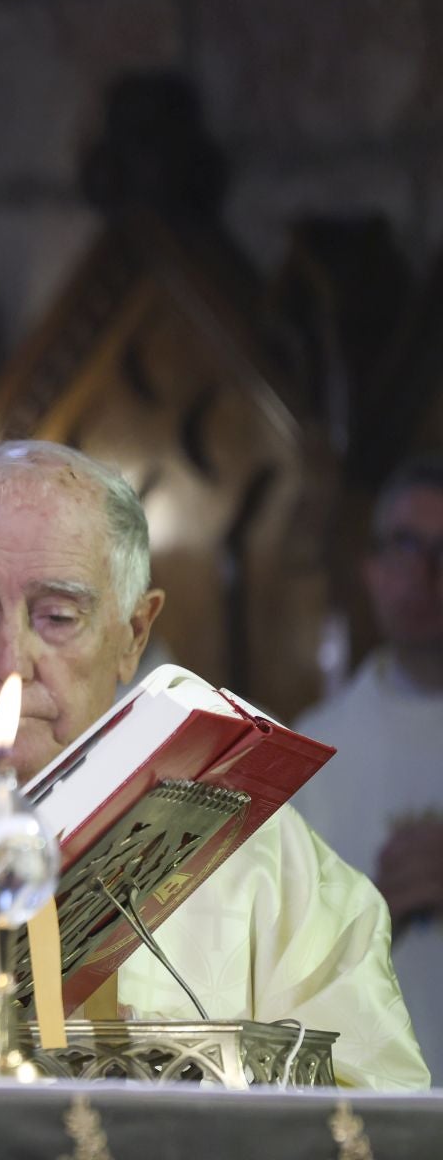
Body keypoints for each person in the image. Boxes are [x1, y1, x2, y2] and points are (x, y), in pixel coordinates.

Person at [0, 440, 429, 1089]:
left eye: (58, 617)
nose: (10, 660)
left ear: (133, 635)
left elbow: (371, 1106)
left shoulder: (267, 860)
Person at [293, 455, 443, 1074]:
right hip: (370, 1096)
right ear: (371, 568)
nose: (427, 574)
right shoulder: (311, 750)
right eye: (406, 546)